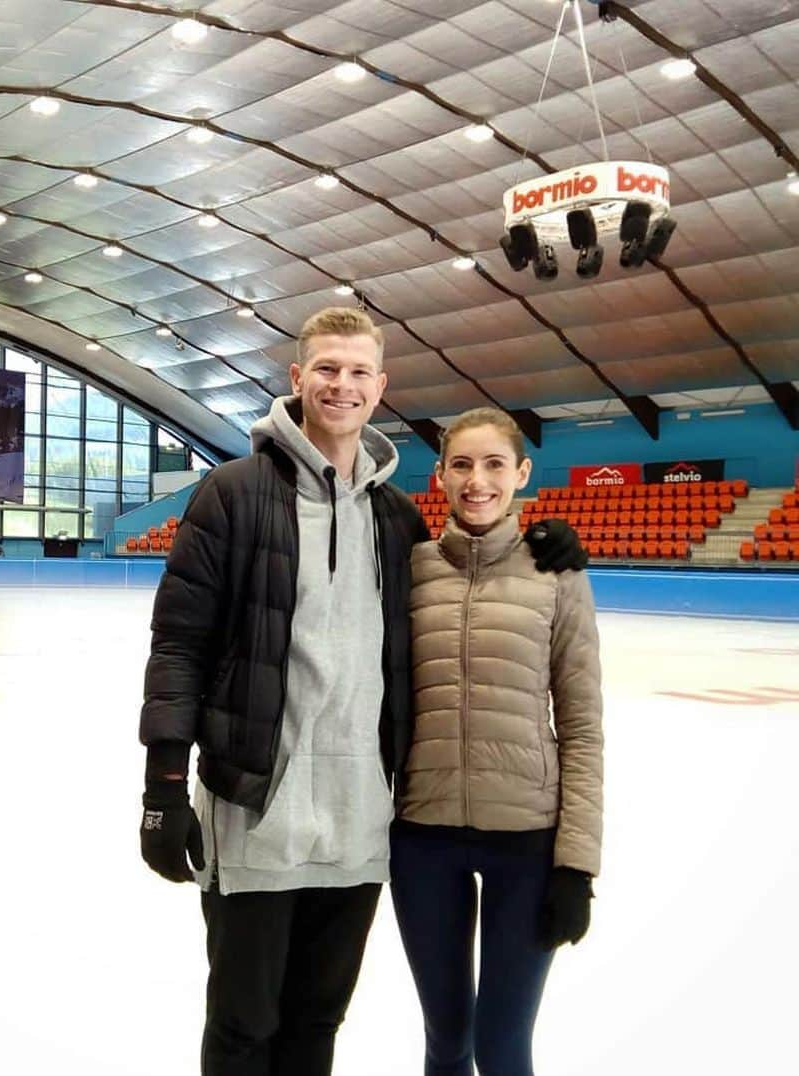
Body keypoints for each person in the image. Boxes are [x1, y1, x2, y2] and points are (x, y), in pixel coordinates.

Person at [138, 310, 586, 1076]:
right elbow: (180, 646)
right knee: (244, 1023)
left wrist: (547, 540)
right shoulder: (232, 494)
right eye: (326, 369)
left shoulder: (395, 516)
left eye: (357, 373)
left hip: (357, 824)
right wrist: (164, 786)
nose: (340, 385)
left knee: (317, 1021)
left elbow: (468, 560)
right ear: (298, 379)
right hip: (257, 812)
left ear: (380, 388)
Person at [391, 406, 604, 1076]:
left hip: (527, 842)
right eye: (462, 464)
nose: (476, 481)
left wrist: (576, 864)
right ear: (441, 475)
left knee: (503, 1045)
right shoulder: (410, 568)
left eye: (493, 465)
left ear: (522, 473)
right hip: (422, 835)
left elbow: (582, 723)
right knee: (446, 1038)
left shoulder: (557, 572)